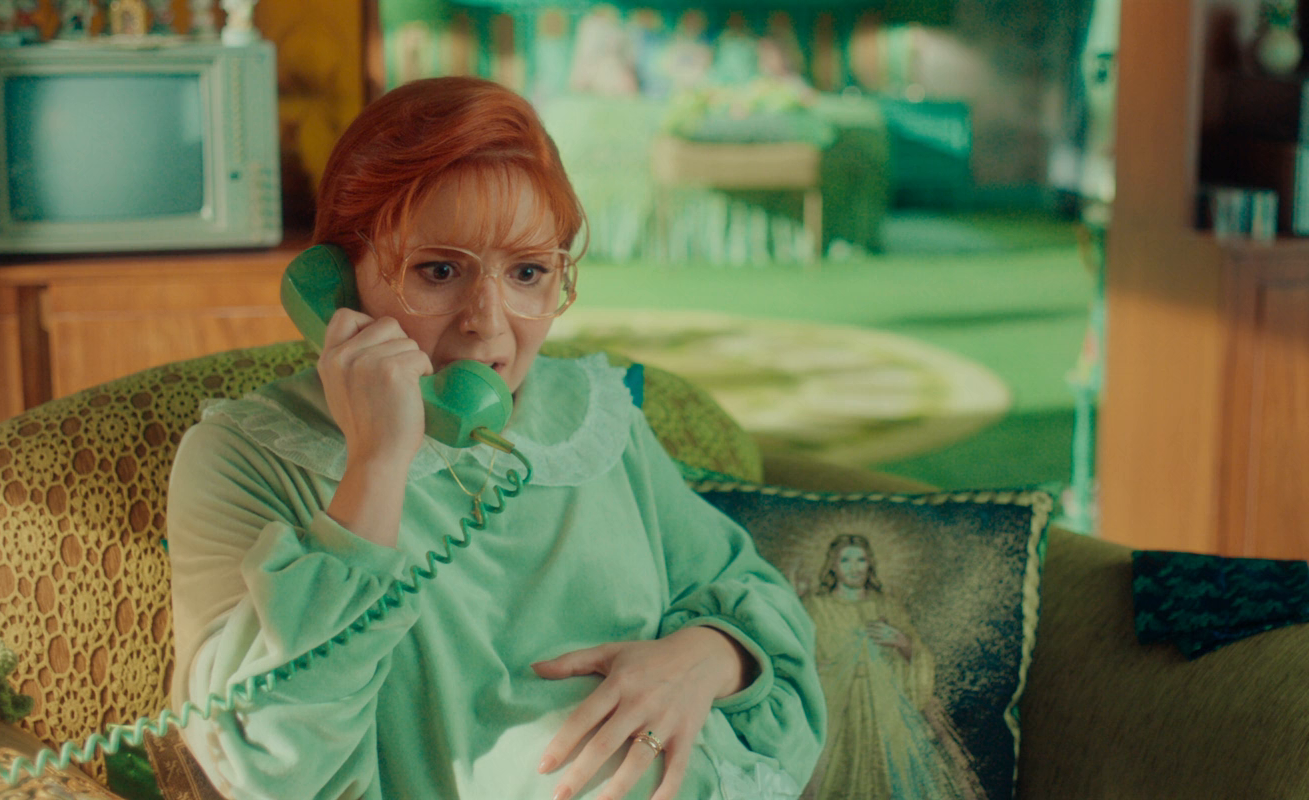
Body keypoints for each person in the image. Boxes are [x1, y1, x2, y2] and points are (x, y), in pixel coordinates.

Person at [165, 76, 824, 800]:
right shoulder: (242, 457)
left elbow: (750, 596)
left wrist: (702, 658)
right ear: (338, 282)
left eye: (529, 272)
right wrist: (377, 465)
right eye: (439, 270)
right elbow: (270, 765)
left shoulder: (593, 417)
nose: (488, 321)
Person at [800, 534, 986, 800]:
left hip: (887, 714)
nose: (855, 567)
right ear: (832, 565)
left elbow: (919, 658)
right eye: (845, 560)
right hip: (834, 714)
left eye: (861, 559)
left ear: (870, 563)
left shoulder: (887, 605)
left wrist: (901, 642)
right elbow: (799, 659)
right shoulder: (815, 608)